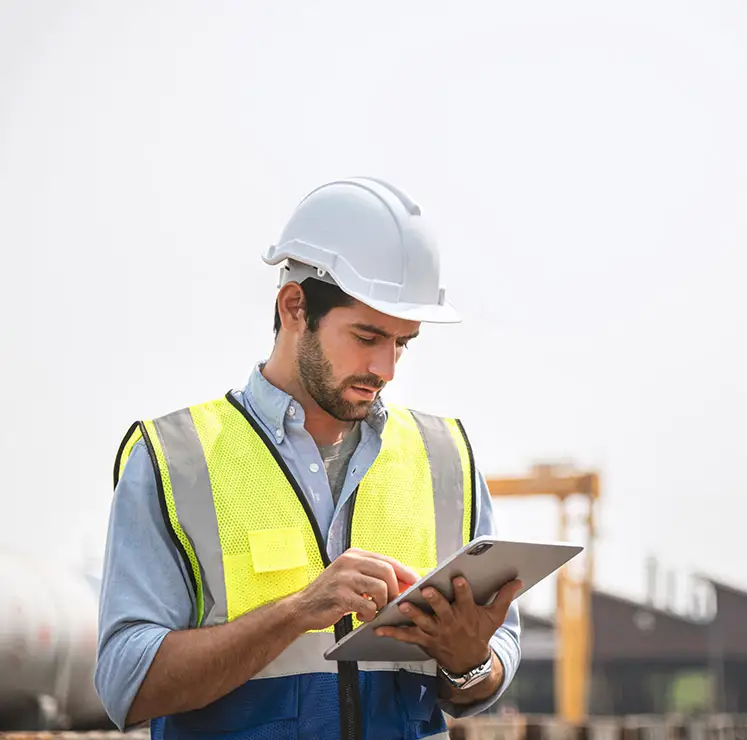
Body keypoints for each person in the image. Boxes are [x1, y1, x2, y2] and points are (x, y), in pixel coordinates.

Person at [94, 177, 522, 740]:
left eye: (403, 343)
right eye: (367, 336)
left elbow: (489, 671)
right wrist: (297, 611)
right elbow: (127, 683)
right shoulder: (175, 461)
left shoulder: (445, 459)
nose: (387, 369)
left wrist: (467, 659)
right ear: (294, 307)